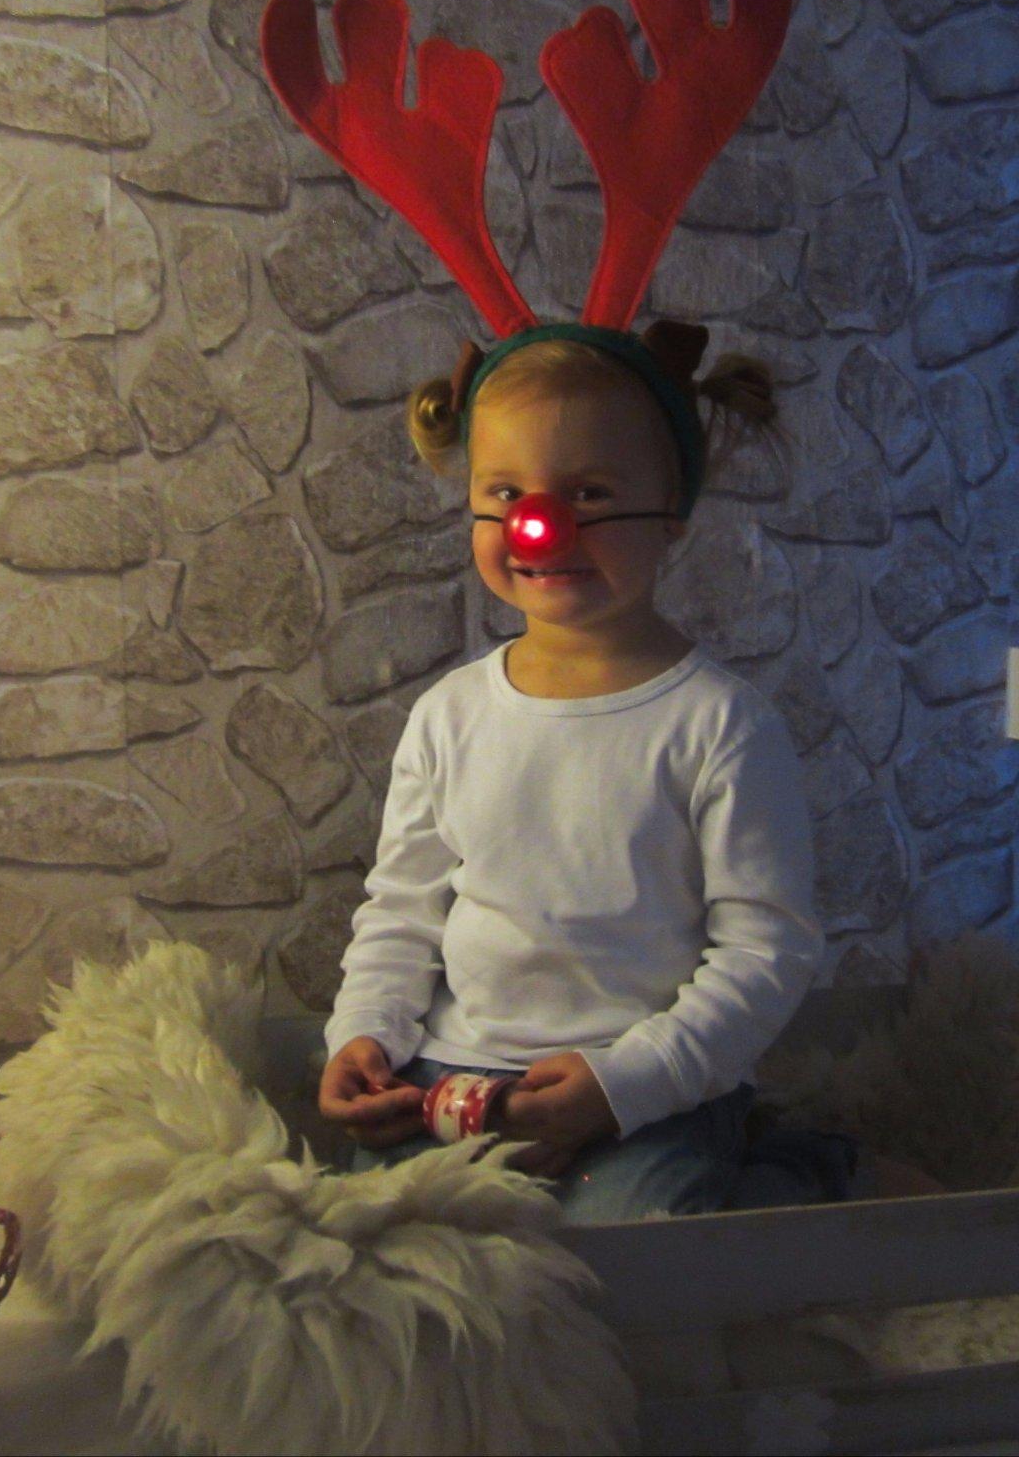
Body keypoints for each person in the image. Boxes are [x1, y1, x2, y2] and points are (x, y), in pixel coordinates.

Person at [318, 328, 870, 1222]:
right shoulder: (448, 716)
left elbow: (765, 952)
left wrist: (625, 1085)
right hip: (456, 1073)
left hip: (646, 1086)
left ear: (671, 511)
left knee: (630, 1253)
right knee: (373, 1233)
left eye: (590, 493)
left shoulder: (722, 727)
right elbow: (402, 914)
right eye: (506, 493)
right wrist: (365, 1035)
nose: (541, 524)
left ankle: (797, 1167)